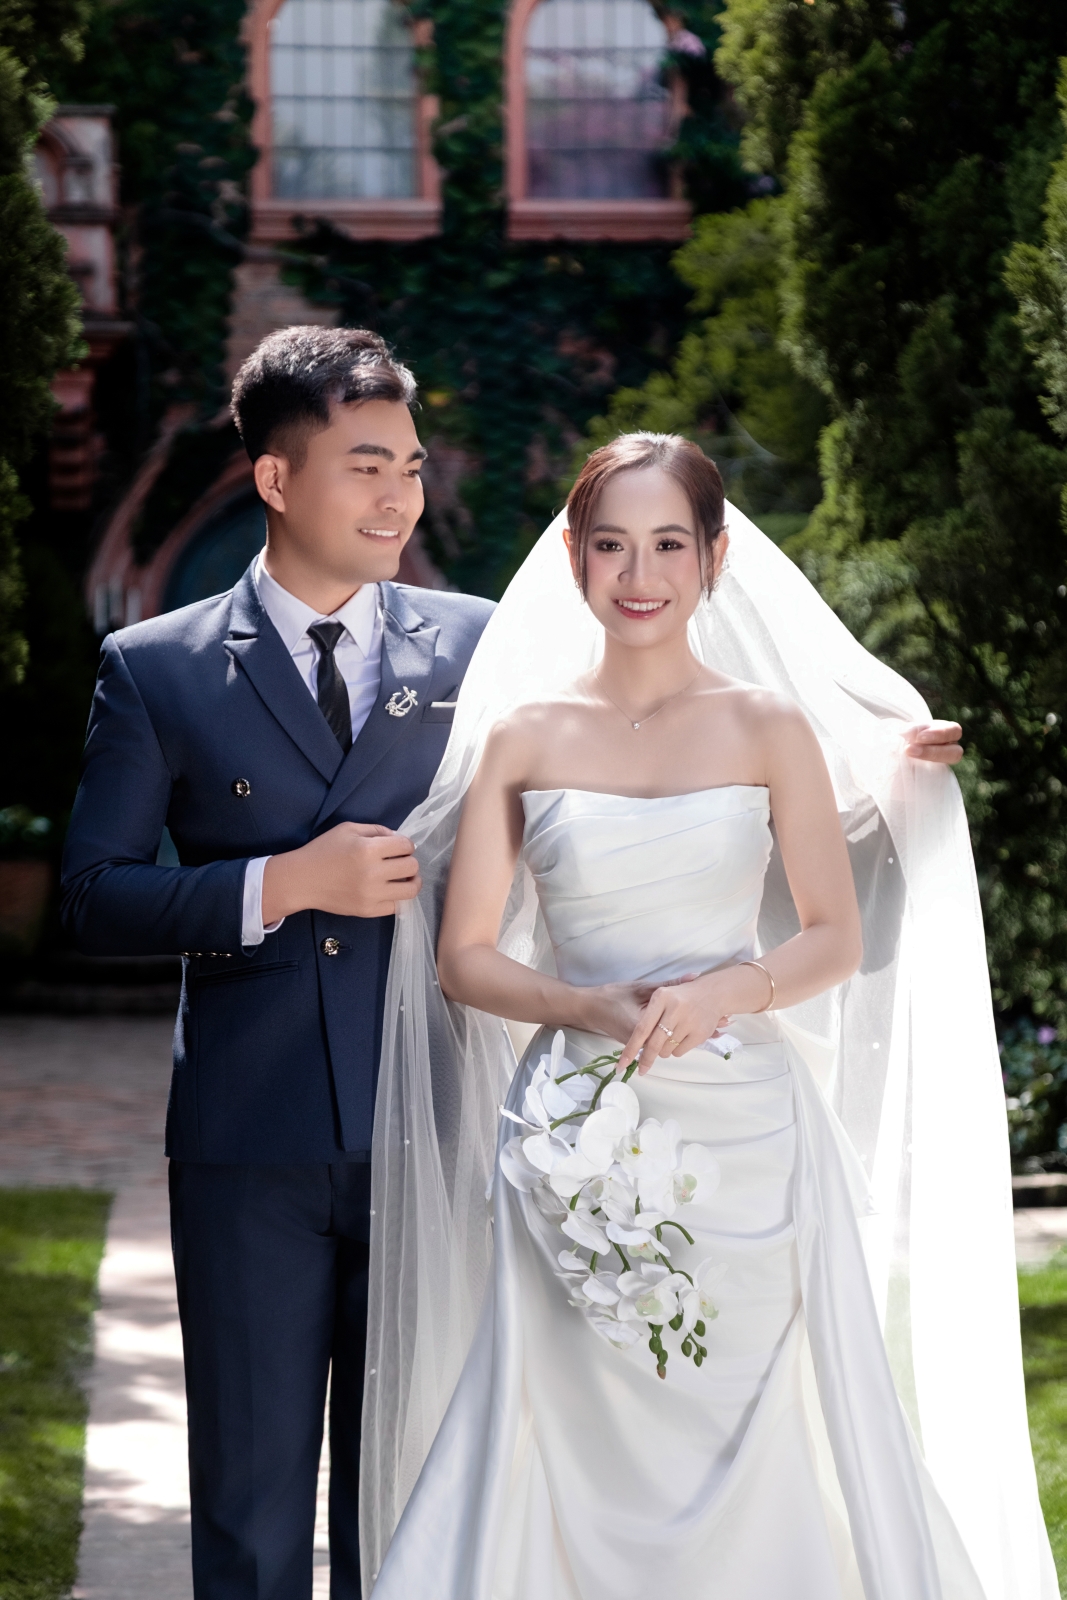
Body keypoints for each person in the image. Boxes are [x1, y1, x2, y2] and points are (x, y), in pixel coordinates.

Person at [362, 434, 1054, 1599]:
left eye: (667, 545)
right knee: (569, 1420)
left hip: (750, 1143)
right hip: (569, 1135)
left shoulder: (767, 726)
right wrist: (582, 1003)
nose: (639, 575)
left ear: (713, 557)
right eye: (612, 546)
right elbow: (464, 959)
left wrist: (724, 989)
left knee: (759, 1421)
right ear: (574, 559)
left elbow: (829, 934)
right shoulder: (523, 736)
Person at [60, 326, 494, 1600]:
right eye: (365, 465)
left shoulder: (478, 645)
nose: (399, 496)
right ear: (275, 478)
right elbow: (90, 898)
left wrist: (866, 761)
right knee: (250, 1515)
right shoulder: (158, 666)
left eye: (410, 465)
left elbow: (637, 744)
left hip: (431, 1124)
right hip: (249, 1138)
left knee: (401, 1505)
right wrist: (283, 883)